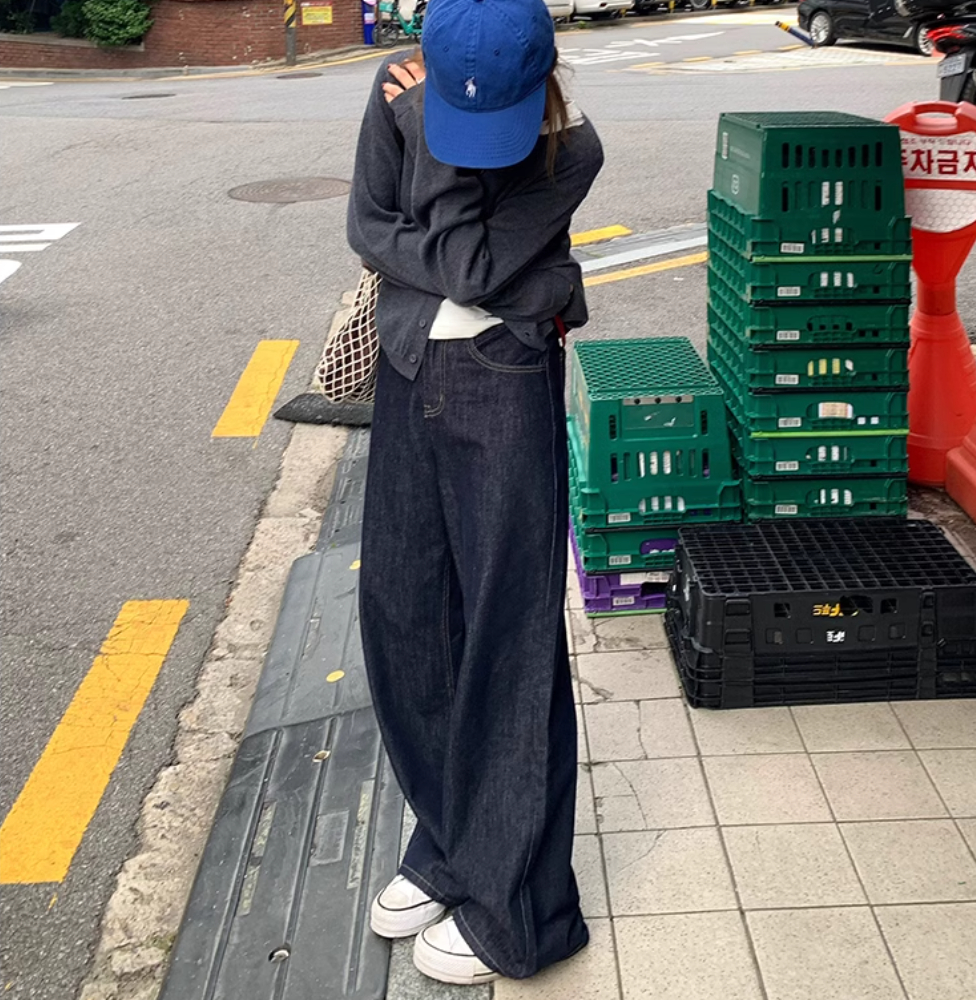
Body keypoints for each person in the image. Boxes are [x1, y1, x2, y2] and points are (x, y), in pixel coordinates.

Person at [346, 0, 604, 985]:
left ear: (539, 82)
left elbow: (459, 259)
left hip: (503, 382)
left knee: (508, 632)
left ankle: (522, 908)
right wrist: (539, 286)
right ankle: (451, 841)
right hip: (410, 367)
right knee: (404, 614)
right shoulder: (390, 94)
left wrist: (433, 139)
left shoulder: (570, 147)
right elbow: (367, 228)